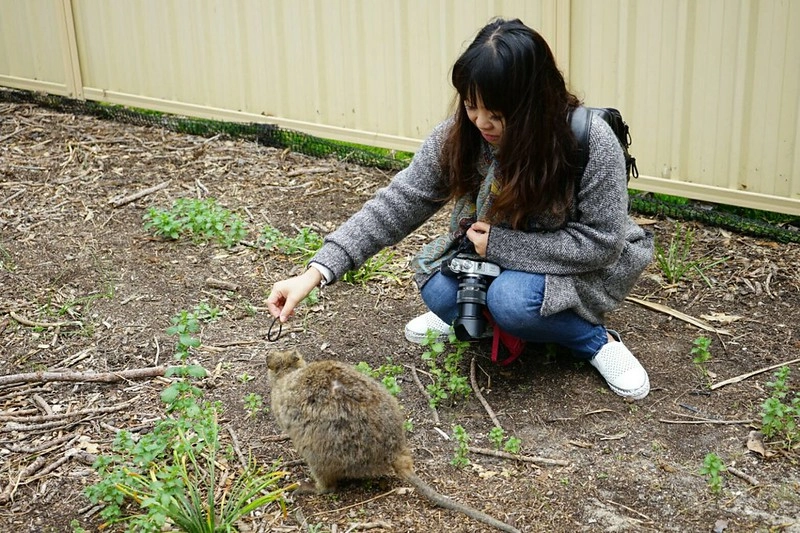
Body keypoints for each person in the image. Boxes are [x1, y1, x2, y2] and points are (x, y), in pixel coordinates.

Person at [267, 18, 654, 400]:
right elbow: (400, 200)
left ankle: (592, 340)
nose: (481, 122)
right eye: (471, 105)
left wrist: (503, 247)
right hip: (491, 254)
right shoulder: (461, 136)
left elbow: (602, 244)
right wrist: (316, 272)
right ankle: (493, 323)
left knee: (512, 302)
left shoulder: (587, 141)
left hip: (574, 266)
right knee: (438, 289)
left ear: (534, 105)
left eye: (498, 114)